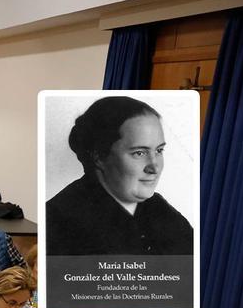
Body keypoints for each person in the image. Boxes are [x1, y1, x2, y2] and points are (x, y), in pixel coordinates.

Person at [47, 95, 192, 256]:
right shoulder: (59, 218)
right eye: (139, 152)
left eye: (159, 151)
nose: (154, 167)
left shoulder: (158, 209)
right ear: (99, 156)